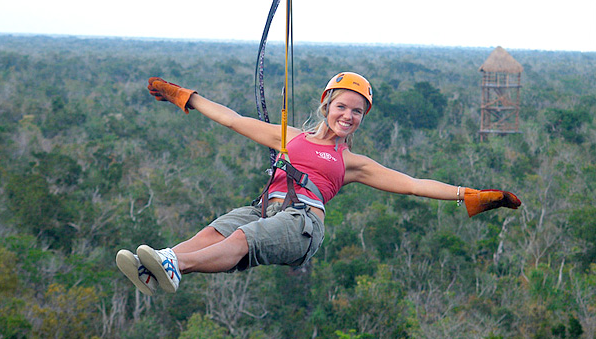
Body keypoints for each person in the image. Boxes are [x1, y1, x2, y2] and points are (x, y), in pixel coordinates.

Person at [116, 72, 521, 296]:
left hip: (302, 222)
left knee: (242, 238)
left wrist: (473, 196)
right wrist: (184, 96)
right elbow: (233, 119)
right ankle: (159, 265)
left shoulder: (351, 162)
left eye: (357, 112)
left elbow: (413, 184)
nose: (348, 115)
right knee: (215, 230)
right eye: (342, 107)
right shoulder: (289, 136)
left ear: (362, 118)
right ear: (327, 106)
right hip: (266, 208)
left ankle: (174, 265)